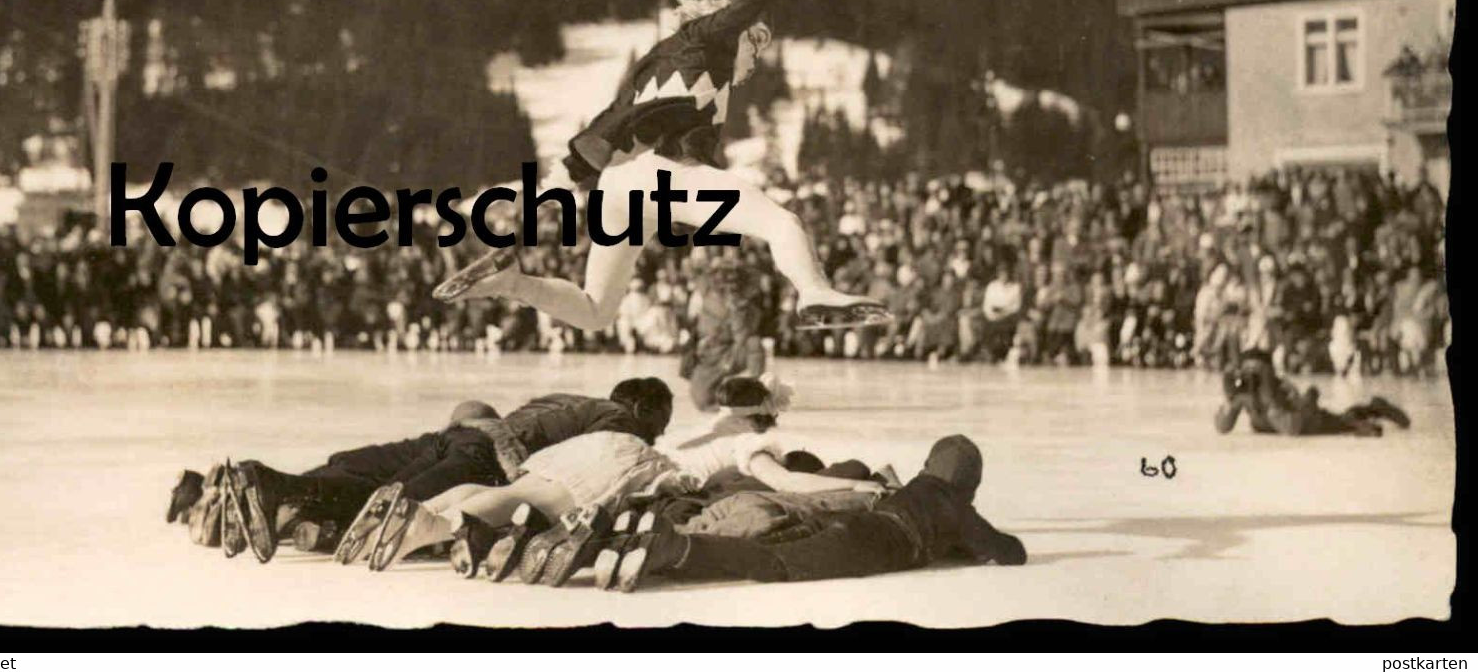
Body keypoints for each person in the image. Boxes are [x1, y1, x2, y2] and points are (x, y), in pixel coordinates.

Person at [433, 0, 890, 334]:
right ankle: (815, 292)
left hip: (619, 184)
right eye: (756, 46)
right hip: (663, 175)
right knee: (782, 222)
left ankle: (512, 283)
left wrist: (566, 175)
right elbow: (747, 5)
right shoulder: (707, 41)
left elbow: (612, 120)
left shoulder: (657, 63)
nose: (754, 61)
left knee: (595, 312)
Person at [359, 376, 878, 585]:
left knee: (512, 492)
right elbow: (784, 482)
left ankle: (420, 510)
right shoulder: (750, 443)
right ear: (765, 418)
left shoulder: (711, 428)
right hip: (628, 466)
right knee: (534, 502)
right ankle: (427, 524)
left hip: (596, 449)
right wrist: (855, 490)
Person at [181, 378, 673, 563]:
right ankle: (288, 504)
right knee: (386, 508)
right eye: (659, 425)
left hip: (454, 435)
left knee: (357, 474)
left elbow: (475, 406)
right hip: (481, 457)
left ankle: (245, 492)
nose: (656, 436)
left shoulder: (560, 399)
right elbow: (586, 467)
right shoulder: (619, 421)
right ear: (642, 409)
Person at [596, 434, 1026, 591]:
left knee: (769, 547)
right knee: (774, 564)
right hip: (868, 543)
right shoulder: (956, 509)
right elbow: (1009, 551)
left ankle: (659, 547)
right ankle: (674, 549)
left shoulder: (917, 488)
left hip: (853, 524)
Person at [1213, 350, 1410, 436]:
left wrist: (1270, 399)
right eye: (1247, 371)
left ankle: (1375, 408)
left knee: (1344, 421)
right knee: (1344, 419)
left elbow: (1293, 426)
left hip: (1309, 420)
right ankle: (1374, 407)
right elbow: (1223, 428)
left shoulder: (1280, 387)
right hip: (1292, 422)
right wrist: (1230, 399)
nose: (1250, 377)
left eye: (1256, 371)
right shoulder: (1245, 391)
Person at [680, 258, 769, 410]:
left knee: (753, 343)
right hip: (710, 355)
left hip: (732, 352)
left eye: (730, 277)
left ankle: (756, 390)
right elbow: (688, 265)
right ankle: (725, 393)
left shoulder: (742, 301)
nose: (726, 281)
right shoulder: (707, 290)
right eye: (722, 275)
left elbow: (742, 337)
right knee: (702, 401)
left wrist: (737, 309)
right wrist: (711, 264)